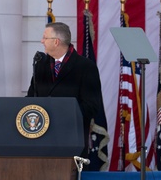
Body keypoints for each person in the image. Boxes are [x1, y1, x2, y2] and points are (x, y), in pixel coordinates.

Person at [27, 21, 104, 153]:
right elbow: (31, 97)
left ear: (56, 42)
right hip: (41, 140)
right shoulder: (40, 64)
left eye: (45, 38)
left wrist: (61, 112)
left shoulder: (86, 67)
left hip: (71, 140)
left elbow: (92, 106)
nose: (41, 41)